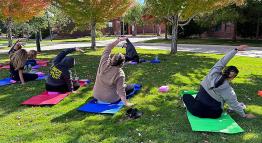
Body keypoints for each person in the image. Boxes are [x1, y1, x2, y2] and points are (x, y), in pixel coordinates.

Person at [182, 45, 255, 119]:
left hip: (196, 110)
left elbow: (223, 61)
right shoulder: (229, 91)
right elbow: (234, 104)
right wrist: (244, 115)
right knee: (219, 106)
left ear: (224, 70)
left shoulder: (212, 74)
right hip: (214, 114)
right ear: (233, 78)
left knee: (186, 96)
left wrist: (236, 49)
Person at [93, 37, 134, 107]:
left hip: (96, 96)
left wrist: (118, 40)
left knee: (123, 85)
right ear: (122, 63)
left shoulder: (103, 63)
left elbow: (108, 48)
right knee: (131, 87)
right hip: (110, 99)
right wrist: (126, 103)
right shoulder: (120, 73)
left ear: (112, 59)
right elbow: (121, 91)